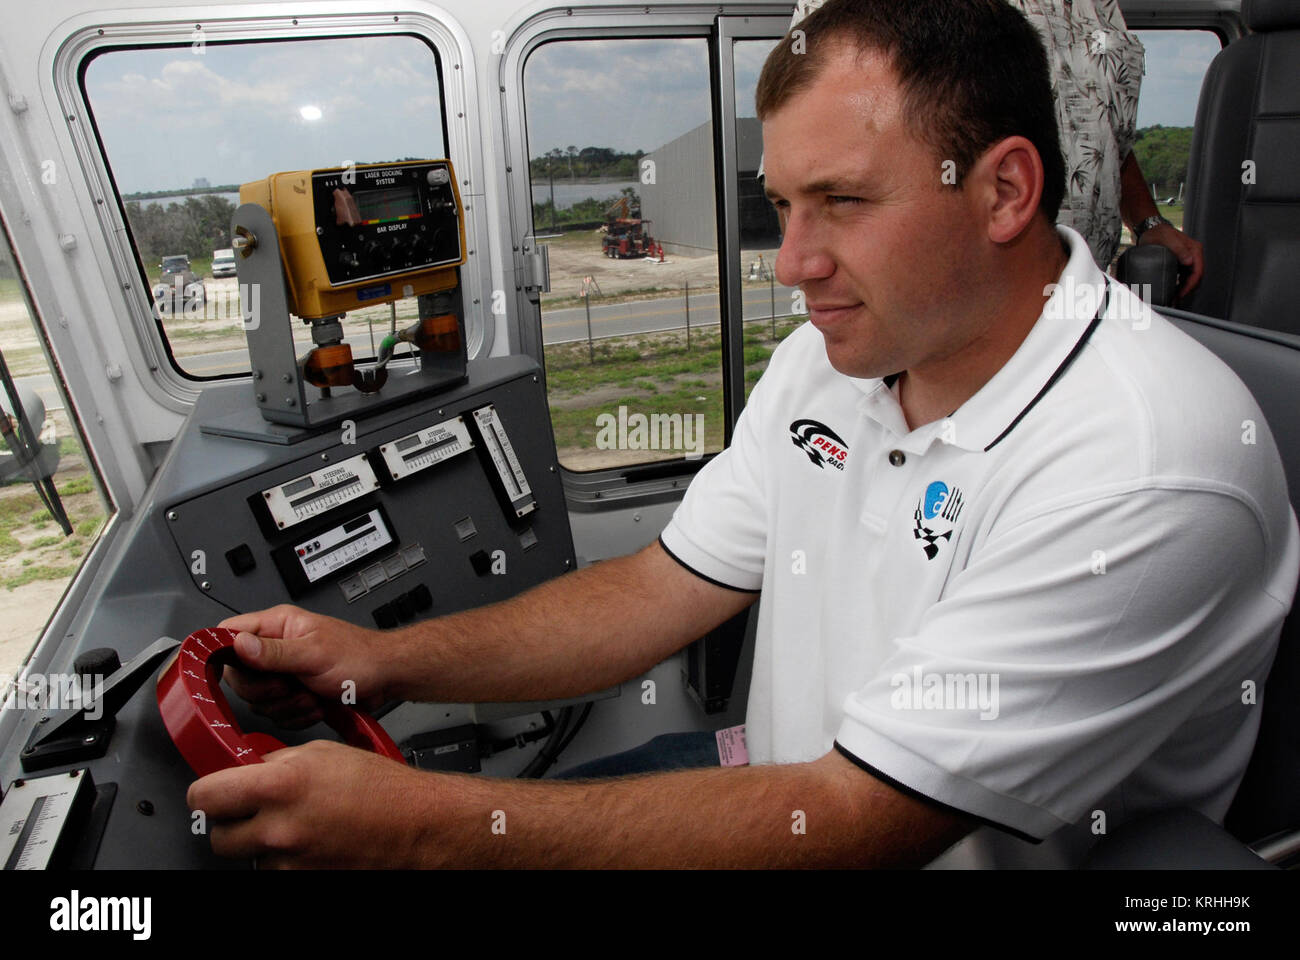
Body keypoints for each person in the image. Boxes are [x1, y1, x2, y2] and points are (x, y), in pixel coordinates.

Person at [189, 0, 1296, 868]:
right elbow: (658, 591)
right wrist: (385, 665)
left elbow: (852, 822)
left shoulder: (1145, 467)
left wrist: (428, 833)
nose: (792, 263)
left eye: (844, 203)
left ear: (1002, 189)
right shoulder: (838, 356)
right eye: (781, 205)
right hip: (788, 788)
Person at [784, 0, 1205, 297]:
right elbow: (811, 160)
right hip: (941, 308)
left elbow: (1110, 134)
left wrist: (1148, 221)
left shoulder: (1093, 8)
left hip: (1080, 291)